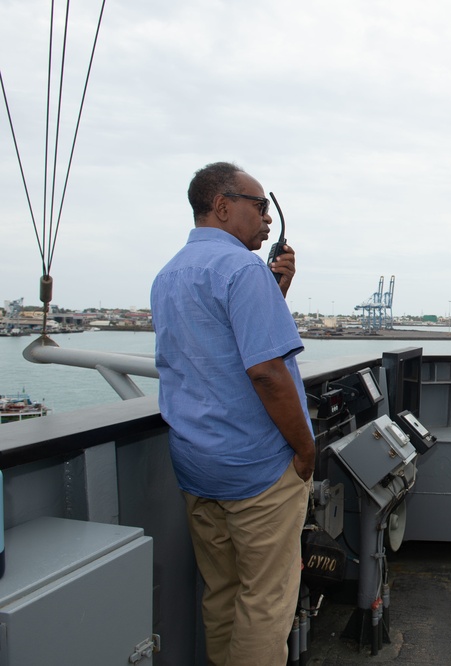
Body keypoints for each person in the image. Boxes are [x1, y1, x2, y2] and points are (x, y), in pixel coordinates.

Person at [151, 162, 315, 666]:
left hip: (198, 468)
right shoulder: (244, 272)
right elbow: (265, 372)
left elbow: (214, 353)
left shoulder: (168, 274)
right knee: (265, 603)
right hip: (257, 471)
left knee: (221, 592)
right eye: (259, 206)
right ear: (222, 207)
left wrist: (275, 293)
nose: (267, 220)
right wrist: (305, 449)